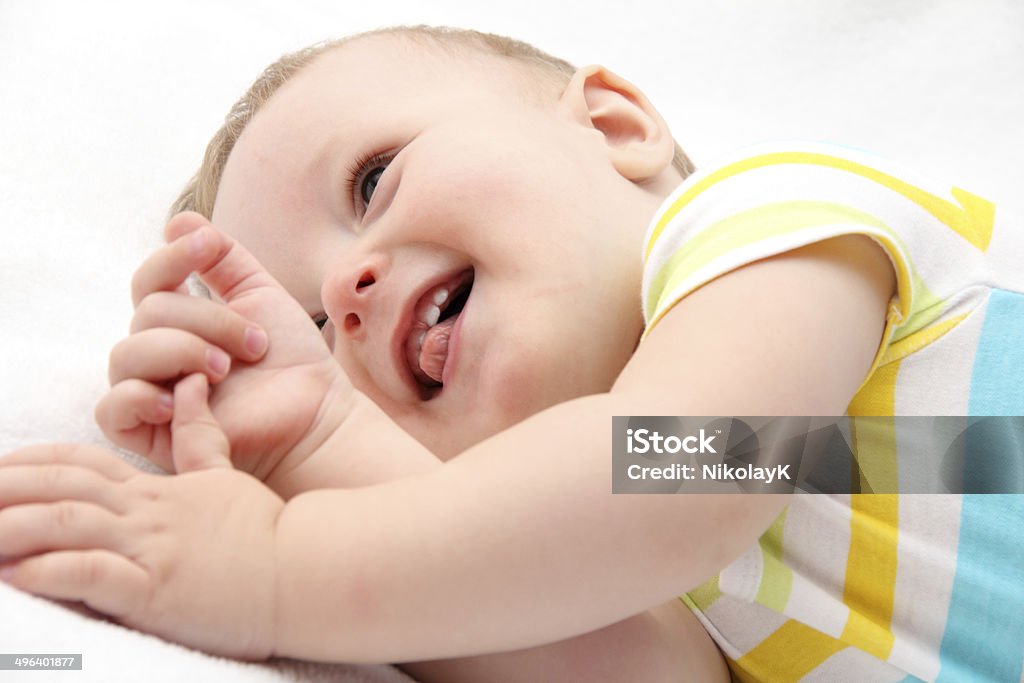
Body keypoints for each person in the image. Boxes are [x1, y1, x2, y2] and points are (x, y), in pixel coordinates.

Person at [1, 25, 1022, 682]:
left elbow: (686, 470)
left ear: (615, 125)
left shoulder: (771, 222)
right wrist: (310, 435)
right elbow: (631, 660)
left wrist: (276, 566)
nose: (344, 293)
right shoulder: (660, 568)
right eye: (312, 329)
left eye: (369, 182)